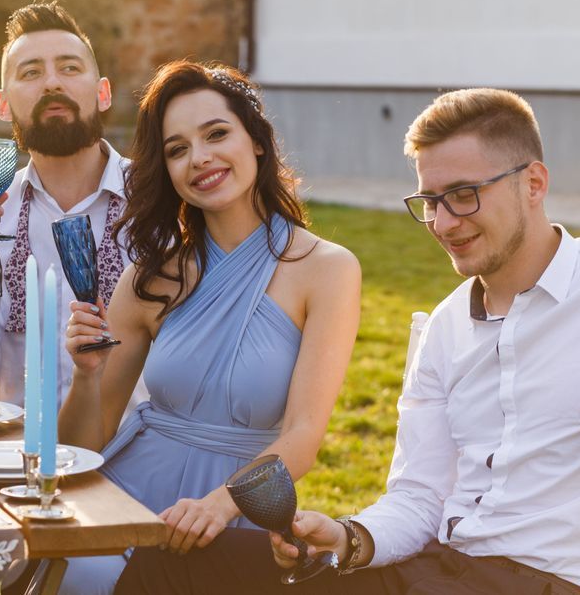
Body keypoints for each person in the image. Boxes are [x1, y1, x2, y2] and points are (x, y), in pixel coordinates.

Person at [113, 88, 580, 595]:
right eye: (430, 202)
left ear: (533, 183)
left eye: (464, 196)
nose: (443, 223)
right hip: (438, 570)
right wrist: (349, 537)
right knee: (170, 568)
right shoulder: (447, 329)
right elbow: (419, 496)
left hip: (555, 581)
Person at [57, 60, 362, 593]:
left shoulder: (328, 270)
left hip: (238, 514)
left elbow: (304, 436)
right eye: (177, 149)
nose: (200, 158)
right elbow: (77, 450)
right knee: (75, 574)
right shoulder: (151, 276)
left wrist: (219, 506)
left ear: (258, 142)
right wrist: (85, 375)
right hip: (125, 496)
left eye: (216, 134)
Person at [0, 1, 148, 409]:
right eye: (31, 72)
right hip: (20, 458)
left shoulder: (156, 205)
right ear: (3, 105)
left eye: (70, 68)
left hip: (134, 458)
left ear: (102, 92)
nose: (52, 83)